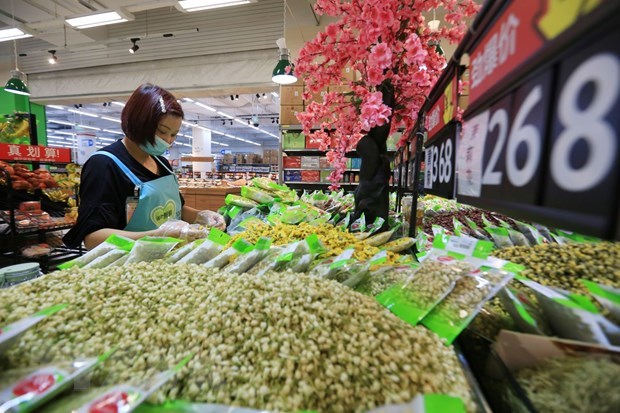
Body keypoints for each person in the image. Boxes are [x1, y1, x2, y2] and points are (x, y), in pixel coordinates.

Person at [63, 83, 225, 250]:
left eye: (174, 134)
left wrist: (201, 216)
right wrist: (156, 235)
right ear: (139, 122)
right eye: (163, 131)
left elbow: (177, 210)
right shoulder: (104, 165)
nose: (168, 141)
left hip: (168, 263)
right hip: (130, 268)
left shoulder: (162, 163)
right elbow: (93, 239)